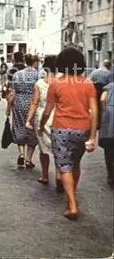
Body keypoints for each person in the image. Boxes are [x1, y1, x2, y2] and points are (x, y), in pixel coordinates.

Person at [39, 48, 97, 220]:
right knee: (75, 163)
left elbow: (48, 110)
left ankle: (71, 205)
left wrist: (41, 126)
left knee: (64, 165)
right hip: (82, 130)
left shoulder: (56, 85)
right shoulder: (88, 84)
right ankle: (71, 193)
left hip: (61, 128)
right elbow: (93, 111)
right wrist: (92, 137)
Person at [25, 55, 63, 191]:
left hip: (42, 115)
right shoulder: (62, 81)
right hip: (58, 115)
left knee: (43, 149)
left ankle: (45, 176)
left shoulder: (40, 83)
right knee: (59, 147)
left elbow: (34, 103)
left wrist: (28, 119)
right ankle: (59, 175)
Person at [6, 54, 40, 168]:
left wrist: (8, 107)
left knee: (19, 126)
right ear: (34, 61)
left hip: (19, 101)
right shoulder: (38, 74)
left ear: (25, 61)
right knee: (32, 129)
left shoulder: (17, 74)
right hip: (33, 102)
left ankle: (21, 153)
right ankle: (28, 159)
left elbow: (12, 92)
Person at [89, 59, 113, 134]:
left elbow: (89, 81)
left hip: (94, 90)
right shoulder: (109, 73)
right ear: (109, 66)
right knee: (102, 109)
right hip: (103, 91)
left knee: (94, 108)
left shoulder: (95, 71)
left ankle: (94, 124)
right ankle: (100, 124)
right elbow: (110, 85)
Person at [99, 82, 114, 186]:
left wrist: (105, 111)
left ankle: (111, 175)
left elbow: (102, 99)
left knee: (109, 148)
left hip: (110, 119)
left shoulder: (110, 86)